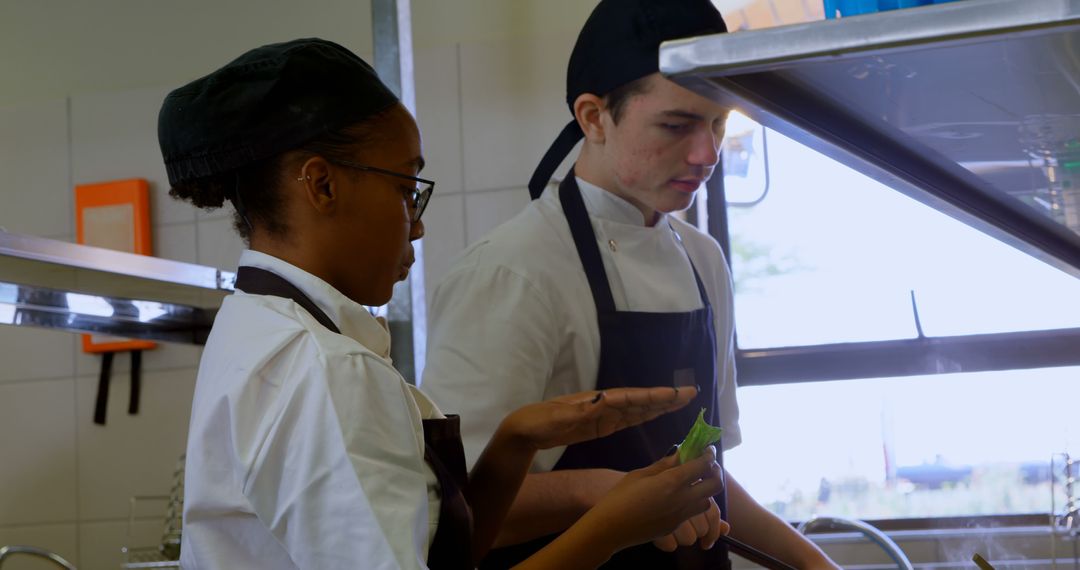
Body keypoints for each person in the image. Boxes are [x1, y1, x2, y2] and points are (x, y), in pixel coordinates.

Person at [158, 38, 728, 570]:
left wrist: (515, 441)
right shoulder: (324, 370)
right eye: (406, 189)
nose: (419, 224)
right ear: (321, 186)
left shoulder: (261, 326)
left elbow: (439, 553)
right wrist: (610, 528)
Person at [421, 1, 842, 569]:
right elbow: (454, 514)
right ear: (594, 117)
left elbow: (708, 476)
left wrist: (816, 564)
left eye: (719, 123)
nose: (707, 154)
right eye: (676, 125)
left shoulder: (703, 259)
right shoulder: (510, 272)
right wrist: (608, 492)